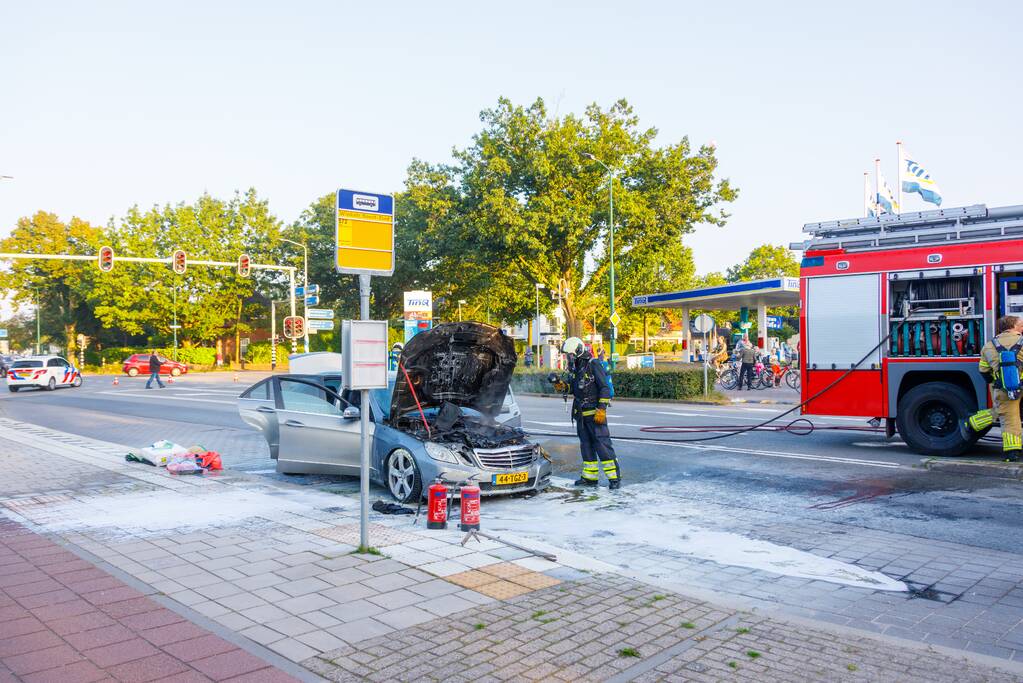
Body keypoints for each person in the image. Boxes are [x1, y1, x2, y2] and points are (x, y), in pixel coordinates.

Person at [559, 337, 621, 489]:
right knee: (586, 447)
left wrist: (601, 409)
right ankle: (590, 478)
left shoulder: (593, 364)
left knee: (602, 446)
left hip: (595, 415)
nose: (569, 358)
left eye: (570, 354)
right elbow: (573, 390)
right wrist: (559, 384)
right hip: (581, 416)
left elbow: (605, 388)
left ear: (579, 351)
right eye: (568, 355)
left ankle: (614, 479)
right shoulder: (576, 369)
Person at [962, 315, 1023, 462]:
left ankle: (973, 424)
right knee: (1009, 418)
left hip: (1004, 388)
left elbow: (983, 370)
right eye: (1021, 324)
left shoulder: (989, 346)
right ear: (1013, 326)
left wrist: (996, 382)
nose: (1022, 326)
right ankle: (1012, 452)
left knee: (1007, 416)